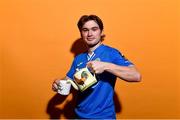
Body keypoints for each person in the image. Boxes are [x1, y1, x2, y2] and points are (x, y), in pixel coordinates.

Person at [52, 14, 141, 119]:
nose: (90, 34)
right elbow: (68, 80)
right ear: (81, 34)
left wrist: (105, 66)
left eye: (94, 29)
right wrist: (58, 84)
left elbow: (136, 75)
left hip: (103, 117)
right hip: (78, 116)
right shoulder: (79, 59)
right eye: (85, 30)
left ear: (101, 32)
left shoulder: (111, 53)